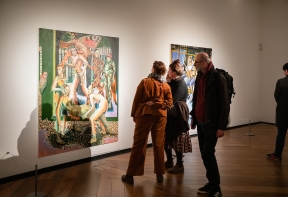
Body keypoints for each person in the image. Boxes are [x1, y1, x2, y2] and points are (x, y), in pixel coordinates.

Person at [121, 61, 173, 184]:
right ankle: (160, 174)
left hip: (144, 115)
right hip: (161, 117)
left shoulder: (145, 82)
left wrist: (134, 114)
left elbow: (136, 99)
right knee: (159, 144)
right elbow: (169, 103)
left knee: (139, 144)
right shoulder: (166, 86)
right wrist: (159, 104)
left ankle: (130, 175)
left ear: (154, 69)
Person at [190, 52, 230, 197]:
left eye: (196, 62)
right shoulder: (199, 76)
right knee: (204, 154)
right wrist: (193, 119)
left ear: (204, 63)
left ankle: (216, 187)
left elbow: (224, 104)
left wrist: (221, 127)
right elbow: (196, 99)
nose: (194, 65)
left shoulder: (217, 78)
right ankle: (211, 183)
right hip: (200, 123)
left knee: (208, 153)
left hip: (211, 124)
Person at [164, 59, 192, 173]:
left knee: (176, 139)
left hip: (177, 116)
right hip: (171, 115)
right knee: (167, 138)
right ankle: (169, 161)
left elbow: (171, 100)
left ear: (174, 72)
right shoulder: (173, 83)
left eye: (169, 70)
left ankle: (180, 165)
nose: (168, 72)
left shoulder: (180, 84)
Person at [266, 63, 288, 161]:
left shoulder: (281, 82)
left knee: (281, 135)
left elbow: (276, 97)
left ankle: (277, 155)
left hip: (283, 113)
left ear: (286, 71)